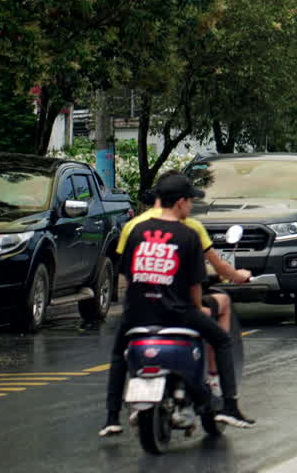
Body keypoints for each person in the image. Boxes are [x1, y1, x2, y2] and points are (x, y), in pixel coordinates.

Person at [100, 174, 255, 437]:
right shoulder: (189, 233)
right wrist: (196, 310)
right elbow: (196, 287)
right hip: (177, 314)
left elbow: (126, 276)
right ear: (181, 202)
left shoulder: (135, 230)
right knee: (221, 339)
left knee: (119, 354)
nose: (191, 206)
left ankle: (111, 417)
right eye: (190, 201)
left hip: (137, 314)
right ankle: (229, 405)